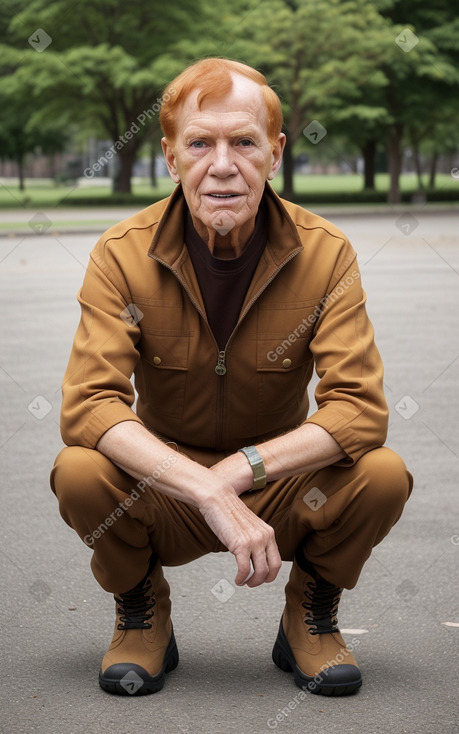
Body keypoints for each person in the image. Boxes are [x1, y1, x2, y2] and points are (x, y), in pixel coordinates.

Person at [50, 57, 413, 698]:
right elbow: (90, 406)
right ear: (170, 155)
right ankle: (140, 613)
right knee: (80, 470)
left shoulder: (325, 252)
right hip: (165, 490)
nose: (222, 165)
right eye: (200, 143)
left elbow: (358, 410)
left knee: (381, 473)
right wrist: (202, 489)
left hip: (282, 482)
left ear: (274, 153)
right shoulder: (120, 254)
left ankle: (313, 614)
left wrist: (234, 476)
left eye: (243, 142)